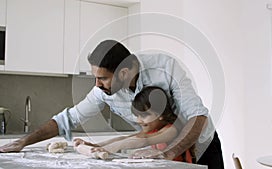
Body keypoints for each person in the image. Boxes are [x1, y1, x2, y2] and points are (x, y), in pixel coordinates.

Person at [0, 39, 224, 168]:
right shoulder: (103, 90)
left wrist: (168, 152)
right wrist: (23, 141)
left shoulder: (165, 68)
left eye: (102, 78)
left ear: (124, 73)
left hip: (202, 147)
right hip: (162, 152)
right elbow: (67, 119)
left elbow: (198, 117)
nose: (97, 85)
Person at [73, 86, 194, 163]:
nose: (139, 120)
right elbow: (127, 138)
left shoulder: (171, 130)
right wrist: (94, 145)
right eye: (137, 115)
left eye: (144, 115)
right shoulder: (152, 129)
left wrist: (106, 149)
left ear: (160, 114)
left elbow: (143, 140)